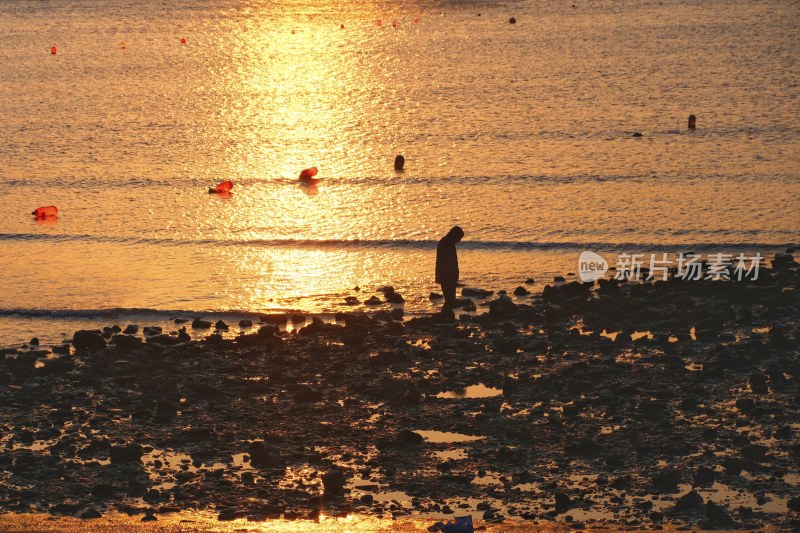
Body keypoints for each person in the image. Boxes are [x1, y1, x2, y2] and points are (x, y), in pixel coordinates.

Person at [435, 226, 464, 320]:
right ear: (455, 235)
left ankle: (446, 316)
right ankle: (445, 316)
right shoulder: (447, 243)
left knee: (450, 298)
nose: (459, 240)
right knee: (450, 298)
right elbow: (448, 262)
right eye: (459, 238)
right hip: (447, 276)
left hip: (446, 275)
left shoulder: (446, 242)